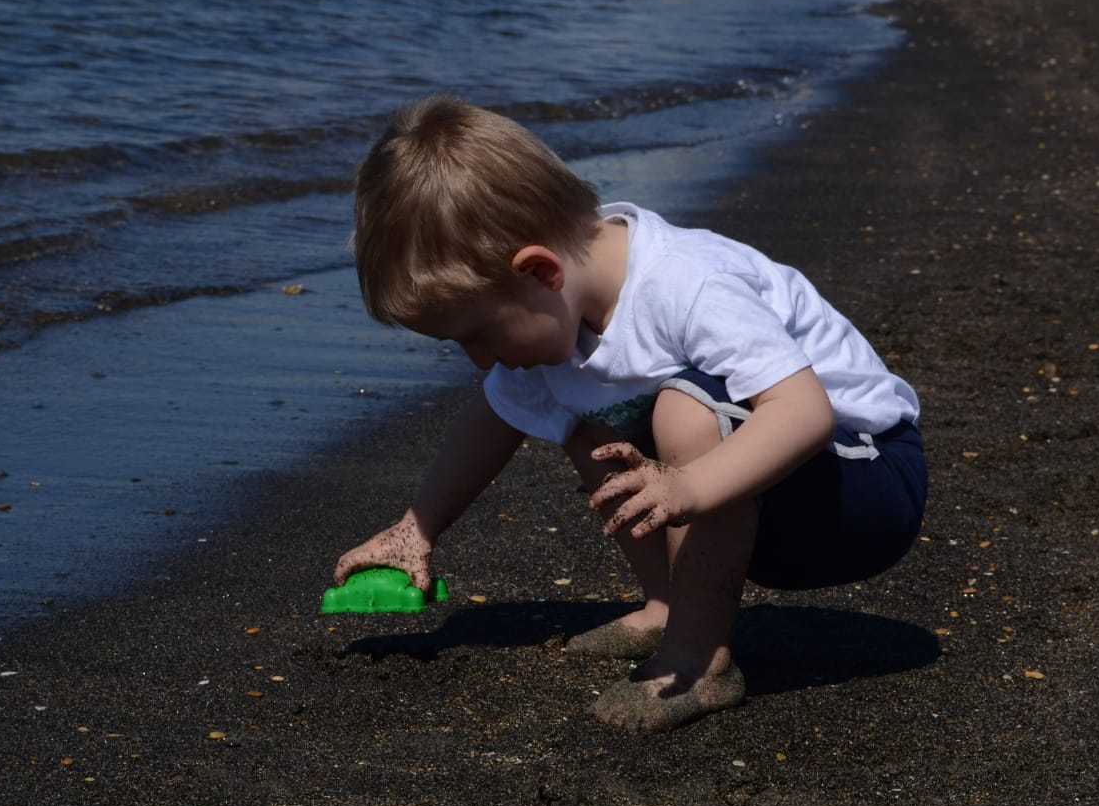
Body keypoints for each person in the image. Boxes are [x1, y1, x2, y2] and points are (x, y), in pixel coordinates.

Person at [333, 97, 927, 733]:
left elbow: (804, 412)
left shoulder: (686, 282)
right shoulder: (555, 318)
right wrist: (416, 528)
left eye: (476, 334)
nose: (480, 360)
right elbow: (495, 415)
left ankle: (697, 659)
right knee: (579, 413)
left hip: (863, 487)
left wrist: (691, 486)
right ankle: (668, 604)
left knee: (680, 409)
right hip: (754, 494)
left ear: (539, 271)